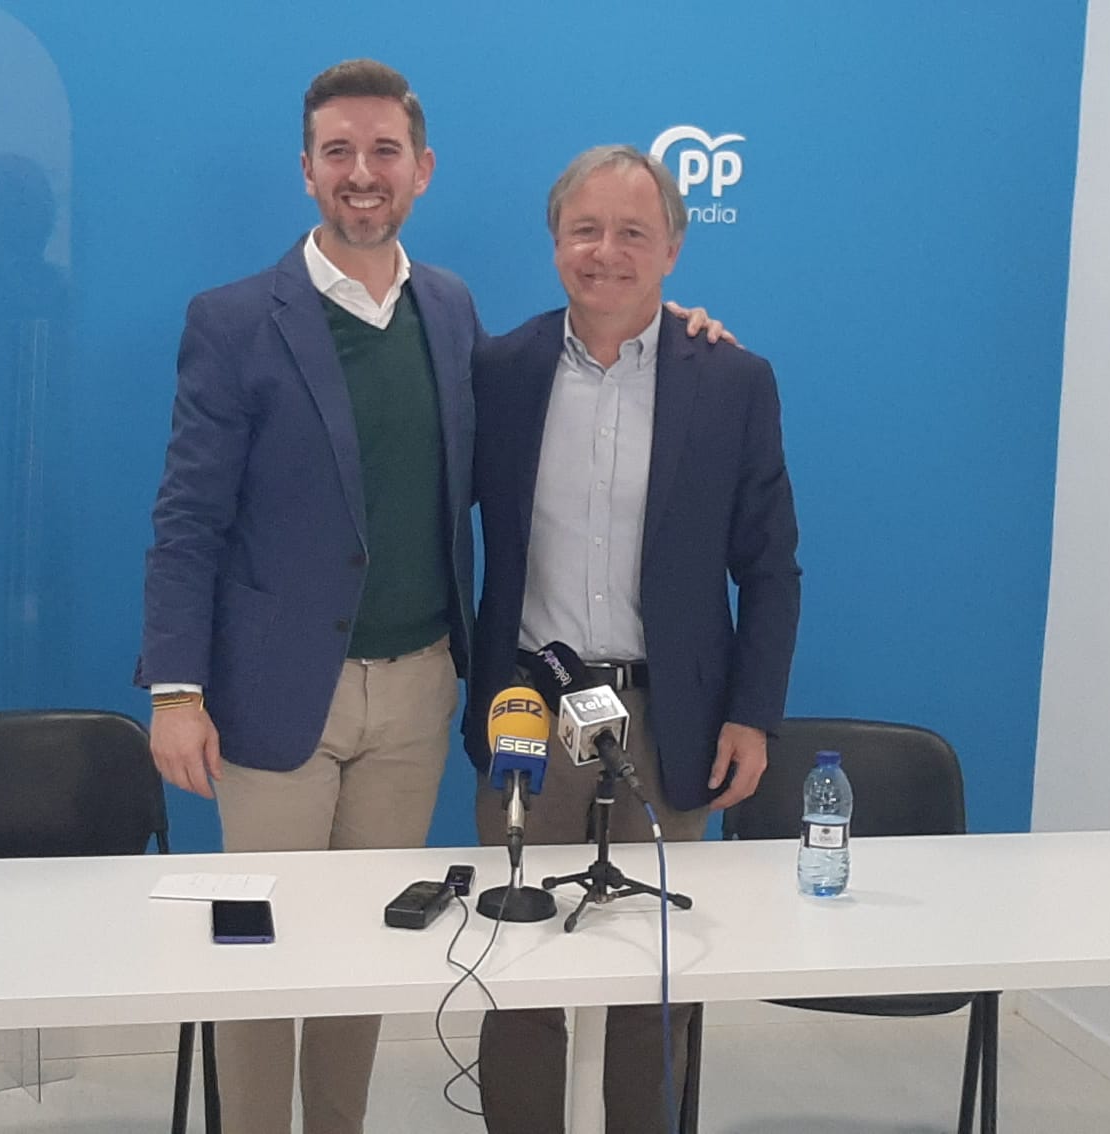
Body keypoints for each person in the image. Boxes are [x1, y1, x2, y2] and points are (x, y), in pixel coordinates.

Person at [138, 62, 730, 1134]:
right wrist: (177, 687)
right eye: (338, 154)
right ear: (308, 171)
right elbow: (187, 519)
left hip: (418, 696)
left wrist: (677, 330)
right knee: (263, 956)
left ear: (421, 171)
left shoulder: (452, 311)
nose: (361, 175)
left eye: (383, 153)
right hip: (278, 698)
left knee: (368, 946)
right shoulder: (232, 321)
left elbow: (592, 355)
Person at [464, 145, 803, 1134]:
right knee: (520, 971)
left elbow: (770, 566)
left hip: (671, 722)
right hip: (532, 711)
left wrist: (753, 712)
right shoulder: (499, 372)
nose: (604, 252)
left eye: (631, 234)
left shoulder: (734, 380)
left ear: (672, 252)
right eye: (585, 230)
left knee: (653, 983)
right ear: (555, 241)